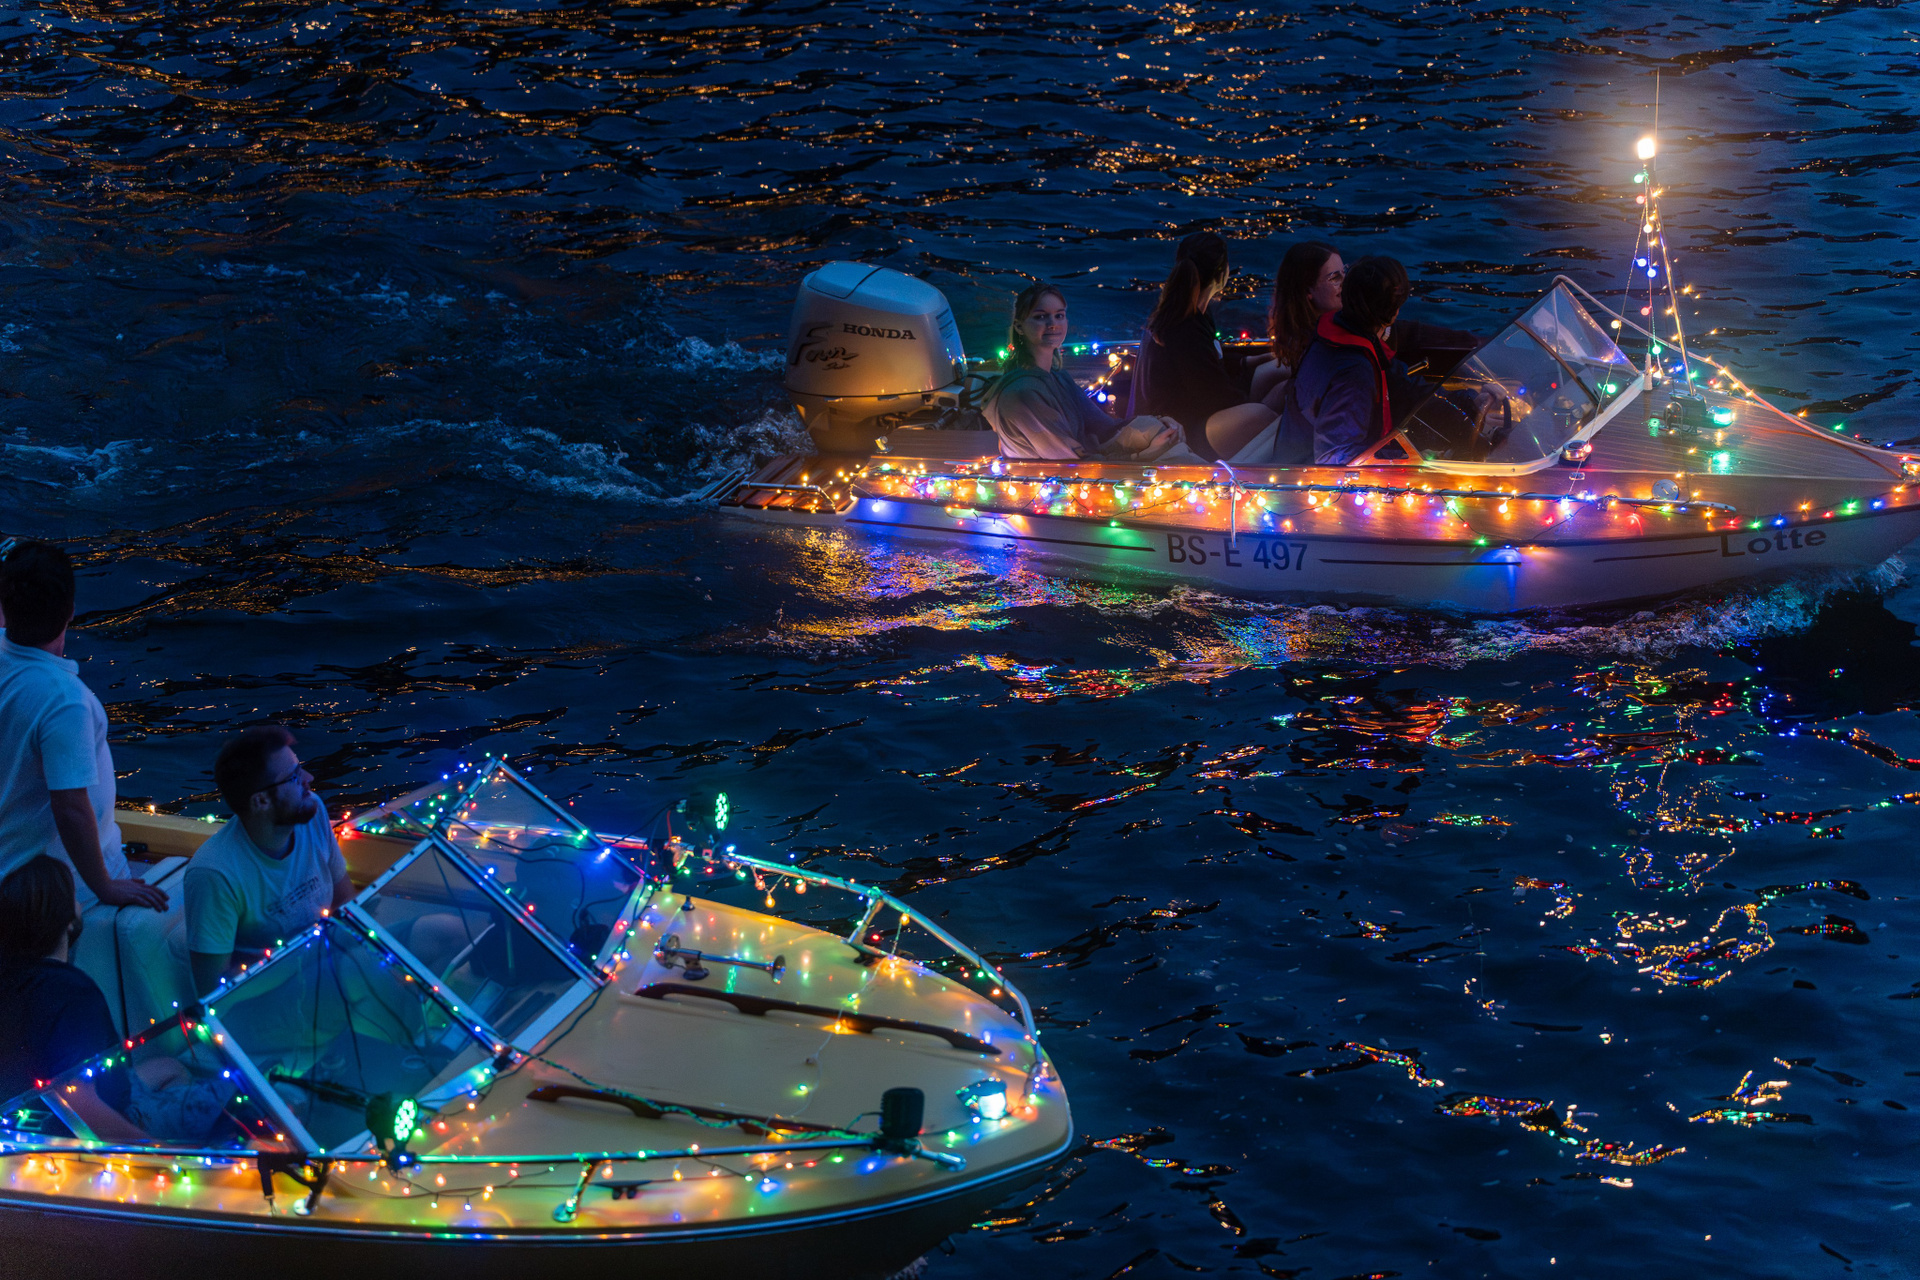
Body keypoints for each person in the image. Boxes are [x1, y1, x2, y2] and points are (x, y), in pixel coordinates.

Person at [0, 540, 168, 914]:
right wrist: (105, 886)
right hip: (57, 890)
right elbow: (70, 807)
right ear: (70, 611)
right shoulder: (63, 701)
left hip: (10, 865)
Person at [184, 726, 352, 998]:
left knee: (430, 931)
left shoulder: (313, 811)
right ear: (261, 800)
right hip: (271, 999)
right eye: (294, 777)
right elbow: (213, 989)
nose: (308, 779)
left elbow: (346, 903)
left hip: (328, 968)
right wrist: (309, 957)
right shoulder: (214, 874)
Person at [0, 855, 149, 1137]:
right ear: (67, 921)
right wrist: (159, 1155)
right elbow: (78, 1104)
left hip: (19, 1126)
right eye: (74, 897)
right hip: (73, 1139)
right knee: (221, 1098)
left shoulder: (11, 980)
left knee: (170, 1068)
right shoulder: (73, 994)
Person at [1243, 255, 1432, 467]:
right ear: (1393, 313)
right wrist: (1405, 458)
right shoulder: (1353, 371)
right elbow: (1335, 456)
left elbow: (1396, 377)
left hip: (1294, 459)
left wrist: (1456, 398)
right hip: (1310, 479)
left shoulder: (1330, 337)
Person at [983, 281, 1190, 463]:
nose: (1052, 324)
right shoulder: (1023, 394)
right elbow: (1074, 465)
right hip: (1060, 484)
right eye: (1041, 317)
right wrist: (1144, 456)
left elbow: (1104, 426)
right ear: (1019, 327)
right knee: (1175, 456)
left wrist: (1161, 422)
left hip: (1083, 467)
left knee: (1157, 431)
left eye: (1059, 315)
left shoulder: (1058, 377)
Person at [1133, 231, 1270, 461]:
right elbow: (1213, 394)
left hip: (1200, 410)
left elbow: (1207, 362)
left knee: (1274, 376)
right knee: (1267, 413)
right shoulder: (1185, 326)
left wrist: (1249, 362)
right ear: (1221, 273)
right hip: (1184, 428)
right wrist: (1252, 400)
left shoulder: (1192, 313)